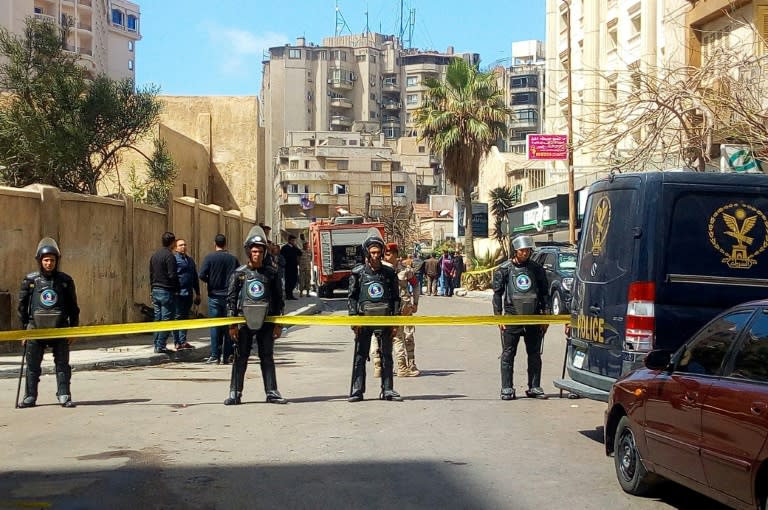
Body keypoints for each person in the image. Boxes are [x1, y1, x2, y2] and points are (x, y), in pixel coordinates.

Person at [224, 226, 287, 405]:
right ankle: (235, 393)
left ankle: (272, 391)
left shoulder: (272, 274)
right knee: (240, 357)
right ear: (248, 252)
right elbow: (231, 300)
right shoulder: (239, 274)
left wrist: (278, 324)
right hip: (243, 321)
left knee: (267, 356)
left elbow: (279, 299)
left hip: (266, 321)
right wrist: (232, 325)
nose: (257, 254)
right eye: (254, 251)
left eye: (260, 251)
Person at [17, 238, 80, 408]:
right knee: (32, 366)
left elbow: (74, 307)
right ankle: (30, 396)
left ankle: (64, 394)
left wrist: (73, 329)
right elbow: (22, 308)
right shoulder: (30, 281)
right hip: (35, 329)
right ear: (40, 261)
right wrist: (24, 332)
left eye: (52, 260)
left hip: (59, 328)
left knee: (62, 365)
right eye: (45, 260)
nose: (49, 263)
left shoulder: (65, 281)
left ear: (56, 261)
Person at [492, 235, 549, 401]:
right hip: (512, 317)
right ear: (515, 251)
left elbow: (545, 294)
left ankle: (534, 386)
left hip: (533, 318)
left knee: (534, 354)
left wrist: (545, 316)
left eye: (527, 250)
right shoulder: (504, 269)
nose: (525, 253)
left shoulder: (537, 269)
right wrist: (499, 318)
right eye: (522, 250)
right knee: (508, 353)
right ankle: (507, 387)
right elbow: (497, 294)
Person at [347, 235, 402, 402]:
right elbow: (352, 298)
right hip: (364, 320)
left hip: (385, 319)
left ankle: (388, 389)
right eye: (372, 252)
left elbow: (395, 298)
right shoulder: (358, 273)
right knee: (359, 355)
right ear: (366, 253)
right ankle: (357, 390)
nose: (376, 256)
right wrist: (354, 320)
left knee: (386, 355)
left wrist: (395, 323)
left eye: (378, 252)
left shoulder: (389, 273)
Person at [199, 234, 239, 364]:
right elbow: (239, 275)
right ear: (225, 244)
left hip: (214, 296)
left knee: (215, 326)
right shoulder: (232, 259)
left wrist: (210, 281)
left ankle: (215, 355)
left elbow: (202, 274)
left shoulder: (209, 258)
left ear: (214, 243)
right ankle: (226, 355)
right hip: (229, 297)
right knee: (229, 326)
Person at [382, 243, 420, 377]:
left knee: (409, 336)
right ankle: (401, 365)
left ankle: (412, 363)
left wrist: (415, 303)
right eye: (386, 253)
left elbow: (415, 285)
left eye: (391, 253)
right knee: (396, 337)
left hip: (405, 307)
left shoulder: (405, 270)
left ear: (396, 254)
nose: (388, 256)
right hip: (391, 308)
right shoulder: (381, 270)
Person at [149, 231, 179, 353]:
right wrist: (176, 288)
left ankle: (157, 343)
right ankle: (160, 345)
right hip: (166, 291)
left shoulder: (155, 255)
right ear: (172, 242)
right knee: (166, 319)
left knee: (158, 318)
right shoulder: (169, 256)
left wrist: (152, 289)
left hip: (155, 289)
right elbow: (172, 275)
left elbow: (151, 274)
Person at [172, 238, 200, 350]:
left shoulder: (190, 260)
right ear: (175, 247)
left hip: (188, 293)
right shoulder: (174, 260)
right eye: (180, 245)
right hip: (178, 294)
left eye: (185, 244)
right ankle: (177, 342)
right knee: (177, 317)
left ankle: (183, 340)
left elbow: (194, 277)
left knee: (185, 318)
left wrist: (198, 293)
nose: (183, 247)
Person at [280, 235, 302, 300]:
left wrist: (296, 246)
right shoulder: (284, 248)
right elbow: (282, 257)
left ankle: (291, 294)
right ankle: (288, 295)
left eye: (294, 241)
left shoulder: (294, 247)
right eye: (292, 240)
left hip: (294, 267)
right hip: (288, 267)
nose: (293, 242)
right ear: (289, 240)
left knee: (294, 280)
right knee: (288, 281)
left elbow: (300, 253)